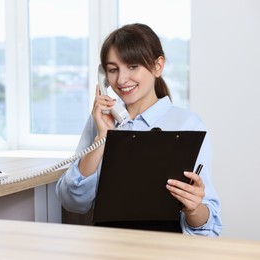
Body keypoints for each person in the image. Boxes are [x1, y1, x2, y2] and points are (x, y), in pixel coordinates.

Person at [55, 23, 222, 236]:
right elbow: (72, 202)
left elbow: (208, 228)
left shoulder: (189, 125)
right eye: (113, 70)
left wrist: (194, 208)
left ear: (157, 66)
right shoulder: (101, 121)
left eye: (132, 66)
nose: (122, 80)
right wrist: (102, 136)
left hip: (166, 246)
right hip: (107, 244)